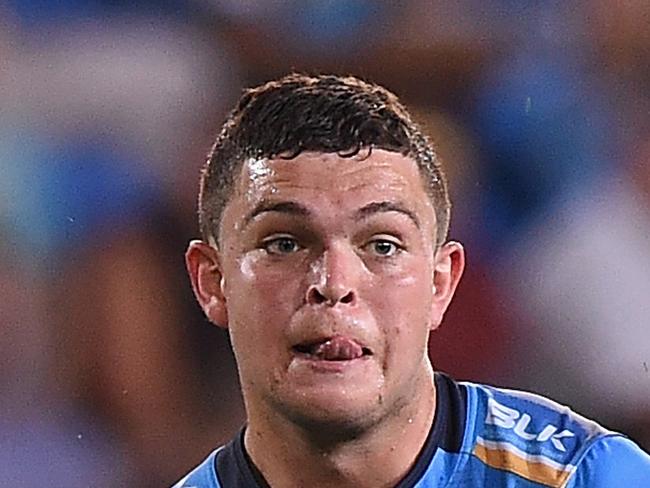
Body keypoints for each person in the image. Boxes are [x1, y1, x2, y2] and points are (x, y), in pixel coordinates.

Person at [175, 74, 650, 487]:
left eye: (382, 245)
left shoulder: (589, 478)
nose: (334, 283)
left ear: (441, 285)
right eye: (284, 243)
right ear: (212, 283)